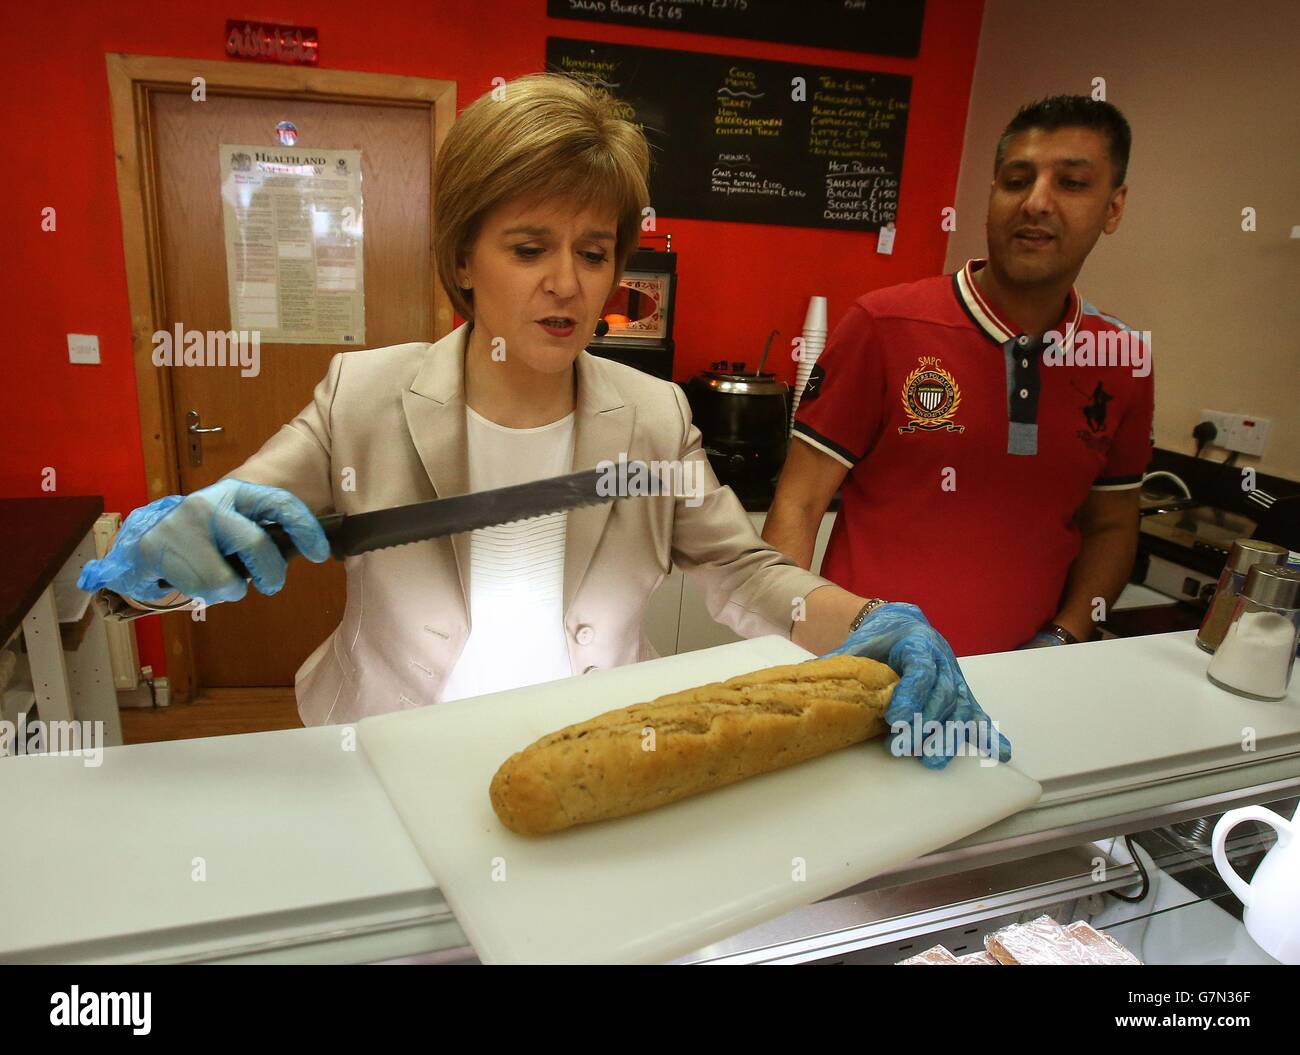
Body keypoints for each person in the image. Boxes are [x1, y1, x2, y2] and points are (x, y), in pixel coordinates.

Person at [81, 73, 1008, 767]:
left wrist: (863, 620)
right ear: (463, 257)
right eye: (529, 248)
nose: (567, 282)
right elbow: (219, 530)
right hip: (387, 755)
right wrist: (168, 556)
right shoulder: (361, 395)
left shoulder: (652, 415)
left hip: (588, 750)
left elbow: (741, 567)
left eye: (594, 252)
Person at [765, 96, 1153, 657]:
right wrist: (786, 653)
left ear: (1113, 208)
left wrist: (1063, 635)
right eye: (1017, 180)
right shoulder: (884, 325)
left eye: (1071, 184)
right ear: (992, 194)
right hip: (864, 668)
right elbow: (797, 505)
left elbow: (1112, 526)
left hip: (1026, 677)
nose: (1036, 203)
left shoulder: (1121, 358)